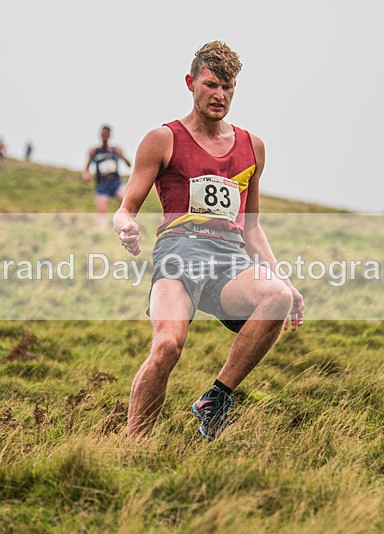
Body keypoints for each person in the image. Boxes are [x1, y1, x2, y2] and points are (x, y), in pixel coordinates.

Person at [113, 41, 305, 440]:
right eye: (211, 84)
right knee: (167, 347)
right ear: (191, 83)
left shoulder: (253, 148)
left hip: (228, 261)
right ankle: (134, 447)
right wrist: (125, 225)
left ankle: (216, 398)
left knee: (278, 297)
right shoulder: (162, 139)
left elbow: (251, 228)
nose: (219, 95)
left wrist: (284, 280)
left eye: (228, 87)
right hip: (178, 257)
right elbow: (126, 207)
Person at [83, 125, 132, 228]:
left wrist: (121, 155)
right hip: (102, 183)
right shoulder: (94, 151)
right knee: (102, 209)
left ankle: (126, 225)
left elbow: (129, 164)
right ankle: (103, 230)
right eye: (103, 134)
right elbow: (87, 166)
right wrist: (86, 174)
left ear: (110, 135)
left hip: (115, 181)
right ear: (100, 135)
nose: (105, 136)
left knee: (125, 200)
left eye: (107, 134)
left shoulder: (115, 150)